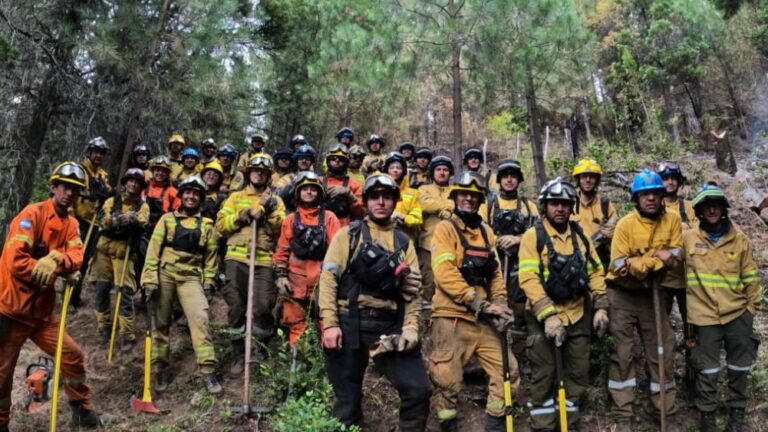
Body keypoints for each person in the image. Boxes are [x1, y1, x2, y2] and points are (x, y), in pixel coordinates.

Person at [319, 173, 431, 431]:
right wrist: (330, 323)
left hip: (389, 326)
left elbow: (414, 292)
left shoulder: (404, 242)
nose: (381, 202)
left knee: (418, 390)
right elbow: (328, 279)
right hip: (349, 322)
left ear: (395, 202)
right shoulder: (349, 235)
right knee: (347, 402)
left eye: (388, 197)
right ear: (367, 201)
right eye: (375, 197)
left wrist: (411, 326)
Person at [0, 162, 102, 430]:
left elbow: (77, 256)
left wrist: (57, 260)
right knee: (1, 375)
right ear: (54, 186)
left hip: (42, 315)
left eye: (75, 190)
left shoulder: (71, 224)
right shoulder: (31, 215)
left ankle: (80, 406)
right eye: (65, 187)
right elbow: (15, 262)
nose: (69, 193)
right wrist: (46, 266)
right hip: (11, 310)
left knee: (73, 356)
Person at [429, 170, 517, 431]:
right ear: (456, 198)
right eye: (464, 195)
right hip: (452, 315)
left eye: (474, 196)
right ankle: (447, 424)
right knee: (446, 379)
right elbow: (445, 273)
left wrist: (500, 302)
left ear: (480, 201)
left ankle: (495, 424)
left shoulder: (487, 232)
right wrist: (476, 302)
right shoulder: (445, 229)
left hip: (485, 317)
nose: (468, 199)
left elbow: (495, 273)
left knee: (507, 372)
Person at [518, 178, 609, 431]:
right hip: (543, 317)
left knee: (578, 372)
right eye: (554, 203)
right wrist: (548, 315)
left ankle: (569, 423)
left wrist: (601, 306)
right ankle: (544, 425)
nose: (560, 209)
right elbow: (528, 278)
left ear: (572, 208)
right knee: (544, 374)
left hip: (578, 313)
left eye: (565, 204)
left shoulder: (581, 236)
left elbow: (595, 272)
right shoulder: (532, 237)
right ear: (545, 206)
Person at [606, 169, 682, 432]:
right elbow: (619, 265)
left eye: (655, 193)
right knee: (623, 353)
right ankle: (623, 414)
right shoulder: (625, 224)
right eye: (644, 194)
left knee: (662, 350)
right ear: (636, 198)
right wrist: (653, 259)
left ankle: (665, 411)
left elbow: (676, 254)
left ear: (662, 196)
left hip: (655, 294)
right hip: (623, 294)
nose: (650, 198)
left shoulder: (672, 220)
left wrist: (649, 261)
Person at [683, 184, 760, 432]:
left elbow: (751, 279)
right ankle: (708, 419)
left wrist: (751, 310)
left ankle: (736, 415)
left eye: (716, 205)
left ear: (723, 209)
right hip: (704, 318)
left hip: (737, 314)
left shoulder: (740, 240)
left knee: (739, 367)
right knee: (707, 371)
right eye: (707, 206)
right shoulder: (688, 238)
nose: (712, 209)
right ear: (700, 211)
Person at [141, 175, 222, 394]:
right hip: (165, 275)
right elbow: (153, 251)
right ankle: (159, 368)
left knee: (200, 319)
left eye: (196, 193)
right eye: (187, 192)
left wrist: (209, 283)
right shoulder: (167, 219)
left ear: (201, 198)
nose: (191, 196)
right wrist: (149, 279)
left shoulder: (207, 225)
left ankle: (207, 371)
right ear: (181, 195)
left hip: (191, 278)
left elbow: (211, 258)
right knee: (161, 323)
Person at [216, 153, 286, 376]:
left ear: (269, 176)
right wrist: (244, 215)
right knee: (236, 306)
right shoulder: (235, 197)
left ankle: (261, 346)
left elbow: (281, 228)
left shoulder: (276, 200)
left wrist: (266, 210)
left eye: (264, 172)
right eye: (255, 170)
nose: (259, 174)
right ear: (248, 173)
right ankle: (238, 351)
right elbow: (220, 226)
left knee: (263, 305)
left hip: (263, 259)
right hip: (236, 258)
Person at [274, 171, 341, 346]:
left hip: (322, 281)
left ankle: (325, 364)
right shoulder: (290, 220)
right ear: (298, 193)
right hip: (295, 283)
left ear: (319, 193)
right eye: (305, 189)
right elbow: (282, 250)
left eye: (313, 189)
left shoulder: (330, 218)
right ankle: (298, 364)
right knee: (296, 323)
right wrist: (281, 276)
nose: (309, 192)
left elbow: (338, 251)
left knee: (325, 322)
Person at [89, 168, 149, 350]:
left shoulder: (142, 206)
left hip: (125, 251)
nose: (133, 184)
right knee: (101, 290)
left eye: (137, 182)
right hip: (103, 250)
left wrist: (132, 220)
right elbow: (102, 218)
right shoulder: (111, 201)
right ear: (125, 183)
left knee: (124, 293)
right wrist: (115, 220)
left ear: (141, 186)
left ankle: (127, 335)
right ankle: (103, 327)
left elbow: (143, 221)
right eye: (130, 181)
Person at [487, 159, 538, 356]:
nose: (509, 180)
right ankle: (494, 354)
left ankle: (518, 356)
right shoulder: (489, 205)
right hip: (494, 265)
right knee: (494, 306)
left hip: (520, 265)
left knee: (519, 309)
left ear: (519, 180)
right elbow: (479, 231)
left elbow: (538, 233)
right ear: (500, 180)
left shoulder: (528, 206)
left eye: (513, 177)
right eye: (505, 176)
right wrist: (499, 240)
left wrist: (517, 239)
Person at [71, 137, 112, 309]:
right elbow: (72, 193)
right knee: (77, 259)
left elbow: (108, 194)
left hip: (95, 222)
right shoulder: (79, 171)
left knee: (90, 258)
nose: (98, 156)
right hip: (78, 220)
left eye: (101, 153)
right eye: (96, 152)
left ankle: (80, 294)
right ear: (89, 152)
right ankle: (72, 298)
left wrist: (108, 195)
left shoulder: (103, 175)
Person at [416, 155, 455, 305]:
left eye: (445, 170)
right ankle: (426, 316)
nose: (442, 172)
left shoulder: (456, 189)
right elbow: (424, 204)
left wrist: (449, 209)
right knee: (428, 280)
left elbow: (459, 205)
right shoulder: (423, 189)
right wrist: (444, 208)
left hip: (450, 244)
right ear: (432, 172)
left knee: (448, 279)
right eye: (438, 169)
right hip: (427, 243)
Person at [571, 158, 618, 267]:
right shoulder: (569, 205)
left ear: (597, 180)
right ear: (578, 179)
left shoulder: (605, 205)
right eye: (583, 176)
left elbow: (618, 234)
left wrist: (612, 234)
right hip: (574, 260)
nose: (588, 180)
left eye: (592, 176)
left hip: (600, 260)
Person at [322, 143, 365, 226]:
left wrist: (350, 195)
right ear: (328, 162)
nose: (337, 161)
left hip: (343, 227)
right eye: (333, 159)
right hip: (320, 226)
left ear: (346, 163)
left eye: (341, 160)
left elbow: (362, 212)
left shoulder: (354, 185)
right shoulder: (319, 182)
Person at [383, 151, 422, 240]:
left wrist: (403, 218)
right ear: (386, 170)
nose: (395, 170)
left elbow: (418, 220)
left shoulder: (413, 193)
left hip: (405, 241)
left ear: (403, 171)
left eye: (398, 168)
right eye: (392, 168)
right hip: (383, 239)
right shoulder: (380, 191)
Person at [144, 156, 181, 230]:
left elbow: (178, 212)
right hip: (141, 228)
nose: (160, 173)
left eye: (164, 171)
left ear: (168, 174)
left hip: (162, 228)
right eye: (157, 170)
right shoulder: (144, 188)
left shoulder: (173, 192)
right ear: (152, 171)